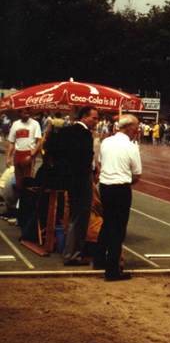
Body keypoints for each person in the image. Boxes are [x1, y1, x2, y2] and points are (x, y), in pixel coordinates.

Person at [96, 114, 142, 281]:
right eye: (136, 126)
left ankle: (99, 259)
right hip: (121, 188)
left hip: (105, 186)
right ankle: (112, 270)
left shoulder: (106, 142)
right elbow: (137, 173)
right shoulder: (131, 146)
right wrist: (126, 181)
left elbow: (100, 163)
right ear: (129, 127)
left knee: (107, 223)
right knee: (118, 229)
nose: (138, 130)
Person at [59, 106, 99, 266]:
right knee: (80, 218)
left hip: (70, 180)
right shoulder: (84, 134)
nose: (96, 121)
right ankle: (73, 255)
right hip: (81, 180)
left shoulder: (66, 131)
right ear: (84, 117)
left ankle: (70, 252)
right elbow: (85, 159)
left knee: (74, 217)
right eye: (94, 118)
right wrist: (91, 171)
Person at [5, 108, 42, 190]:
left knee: (28, 180)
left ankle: (26, 197)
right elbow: (11, 142)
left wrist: (33, 154)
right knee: (18, 179)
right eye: (24, 110)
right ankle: (19, 195)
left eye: (28, 110)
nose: (27, 111)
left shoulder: (35, 123)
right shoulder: (15, 124)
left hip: (29, 153)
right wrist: (8, 157)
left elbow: (39, 141)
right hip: (18, 154)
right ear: (19, 112)